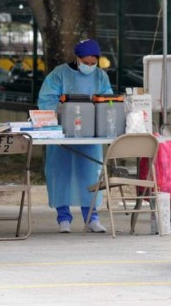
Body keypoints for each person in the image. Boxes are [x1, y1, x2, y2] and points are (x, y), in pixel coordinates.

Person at [38, 38, 112, 234]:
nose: (89, 67)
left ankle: (91, 218)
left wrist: (98, 111)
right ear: (77, 59)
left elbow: (108, 100)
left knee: (89, 174)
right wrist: (64, 111)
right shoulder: (59, 74)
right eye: (85, 63)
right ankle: (63, 218)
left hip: (90, 135)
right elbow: (46, 100)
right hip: (62, 134)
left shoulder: (100, 76)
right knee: (60, 174)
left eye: (93, 63)